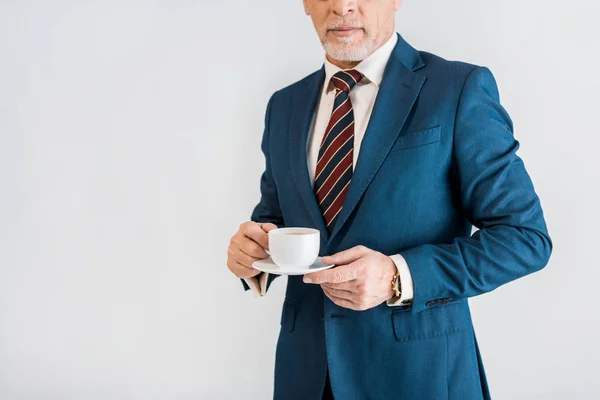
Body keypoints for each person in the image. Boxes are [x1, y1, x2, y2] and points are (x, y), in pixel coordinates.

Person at [226, 0, 553, 398]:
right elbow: (276, 216)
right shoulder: (284, 105)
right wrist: (254, 253)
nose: (342, 6)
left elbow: (525, 237)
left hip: (421, 377)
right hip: (306, 377)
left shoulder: (457, 89)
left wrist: (399, 276)